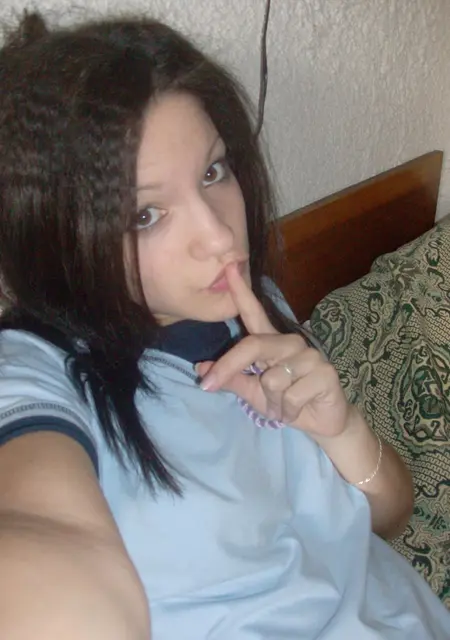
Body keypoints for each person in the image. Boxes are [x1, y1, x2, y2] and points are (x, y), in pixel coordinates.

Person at [0, 10, 448, 640]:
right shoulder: (37, 373)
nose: (219, 236)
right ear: (59, 231)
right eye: (145, 215)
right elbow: (44, 542)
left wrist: (341, 429)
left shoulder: (254, 306)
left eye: (213, 172)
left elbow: (388, 520)